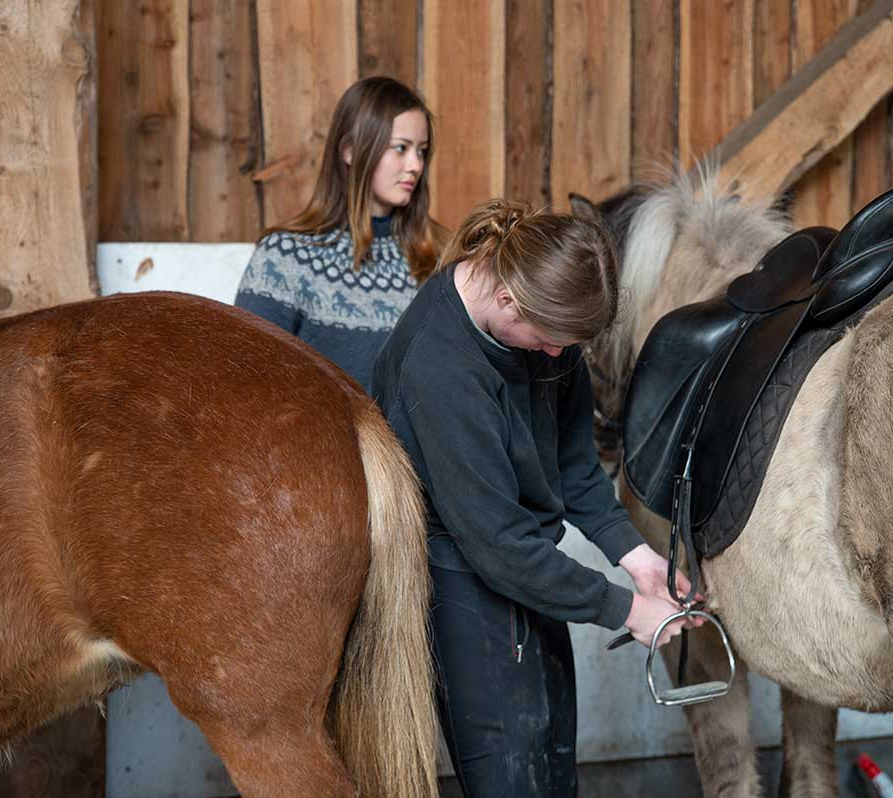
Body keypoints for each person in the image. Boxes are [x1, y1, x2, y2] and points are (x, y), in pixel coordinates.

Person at [372, 199, 700, 797]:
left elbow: (573, 467)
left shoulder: (546, 328)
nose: (556, 356)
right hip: (463, 584)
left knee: (554, 769)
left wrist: (637, 558)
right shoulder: (441, 367)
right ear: (508, 302)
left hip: (532, 574)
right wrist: (627, 610)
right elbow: (498, 545)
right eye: (550, 341)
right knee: (509, 780)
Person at [235, 76, 441, 393]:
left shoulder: (438, 258)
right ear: (350, 150)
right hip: (315, 441)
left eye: (421, 151)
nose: (415, 165)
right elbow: (245, 380)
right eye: (400, 148)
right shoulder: (285, 258)